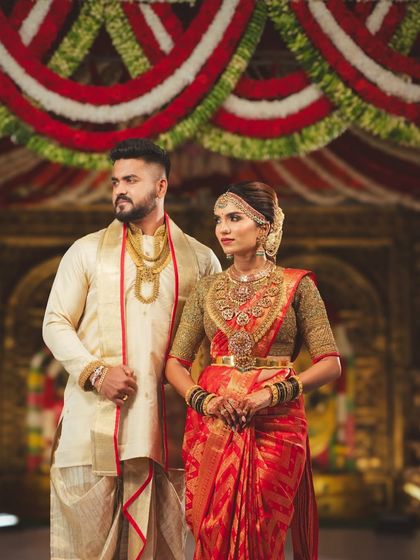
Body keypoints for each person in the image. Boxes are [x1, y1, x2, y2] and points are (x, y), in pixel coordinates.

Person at [42, 138, 221, 560]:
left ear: (161, 187)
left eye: (130, 179)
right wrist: (96, 373)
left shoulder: (202, 260)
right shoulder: (86, 251)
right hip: (93, 428)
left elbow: (214, 347)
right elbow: (54, 323)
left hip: (168, 432)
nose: (118, 188)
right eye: (114, 181)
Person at [166, 181, 341, 559]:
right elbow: (174, 364)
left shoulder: (298, 286)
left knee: (263, 527)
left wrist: (271, 394)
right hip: (213, 420)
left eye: (234, 218)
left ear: (263, 227)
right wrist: (204, 400)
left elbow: (330, 364)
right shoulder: (205, 289)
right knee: (212, 528)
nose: (222, 229)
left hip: (276, 423)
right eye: (218, 220)